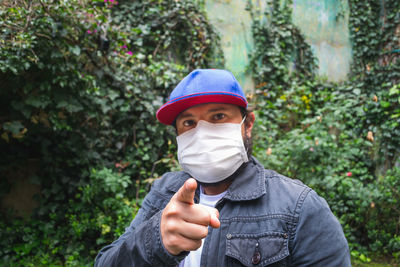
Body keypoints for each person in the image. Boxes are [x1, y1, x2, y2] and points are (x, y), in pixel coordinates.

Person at [94, 69, 351, 266]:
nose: (202, 132)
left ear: (247, 124)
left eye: (218, 117)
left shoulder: (300, 208)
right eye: (189, 122)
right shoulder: (163, 193)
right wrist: (155, 239)